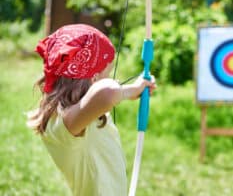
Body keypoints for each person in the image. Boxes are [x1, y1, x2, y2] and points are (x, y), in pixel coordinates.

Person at [27, 24, 156, 196]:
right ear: (93, 77)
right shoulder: (67, 123)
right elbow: (108, 92)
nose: (110, 79)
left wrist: (133, 89)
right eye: (107, 73)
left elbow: (104, 93)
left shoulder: (73, 115)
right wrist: (127, 91)